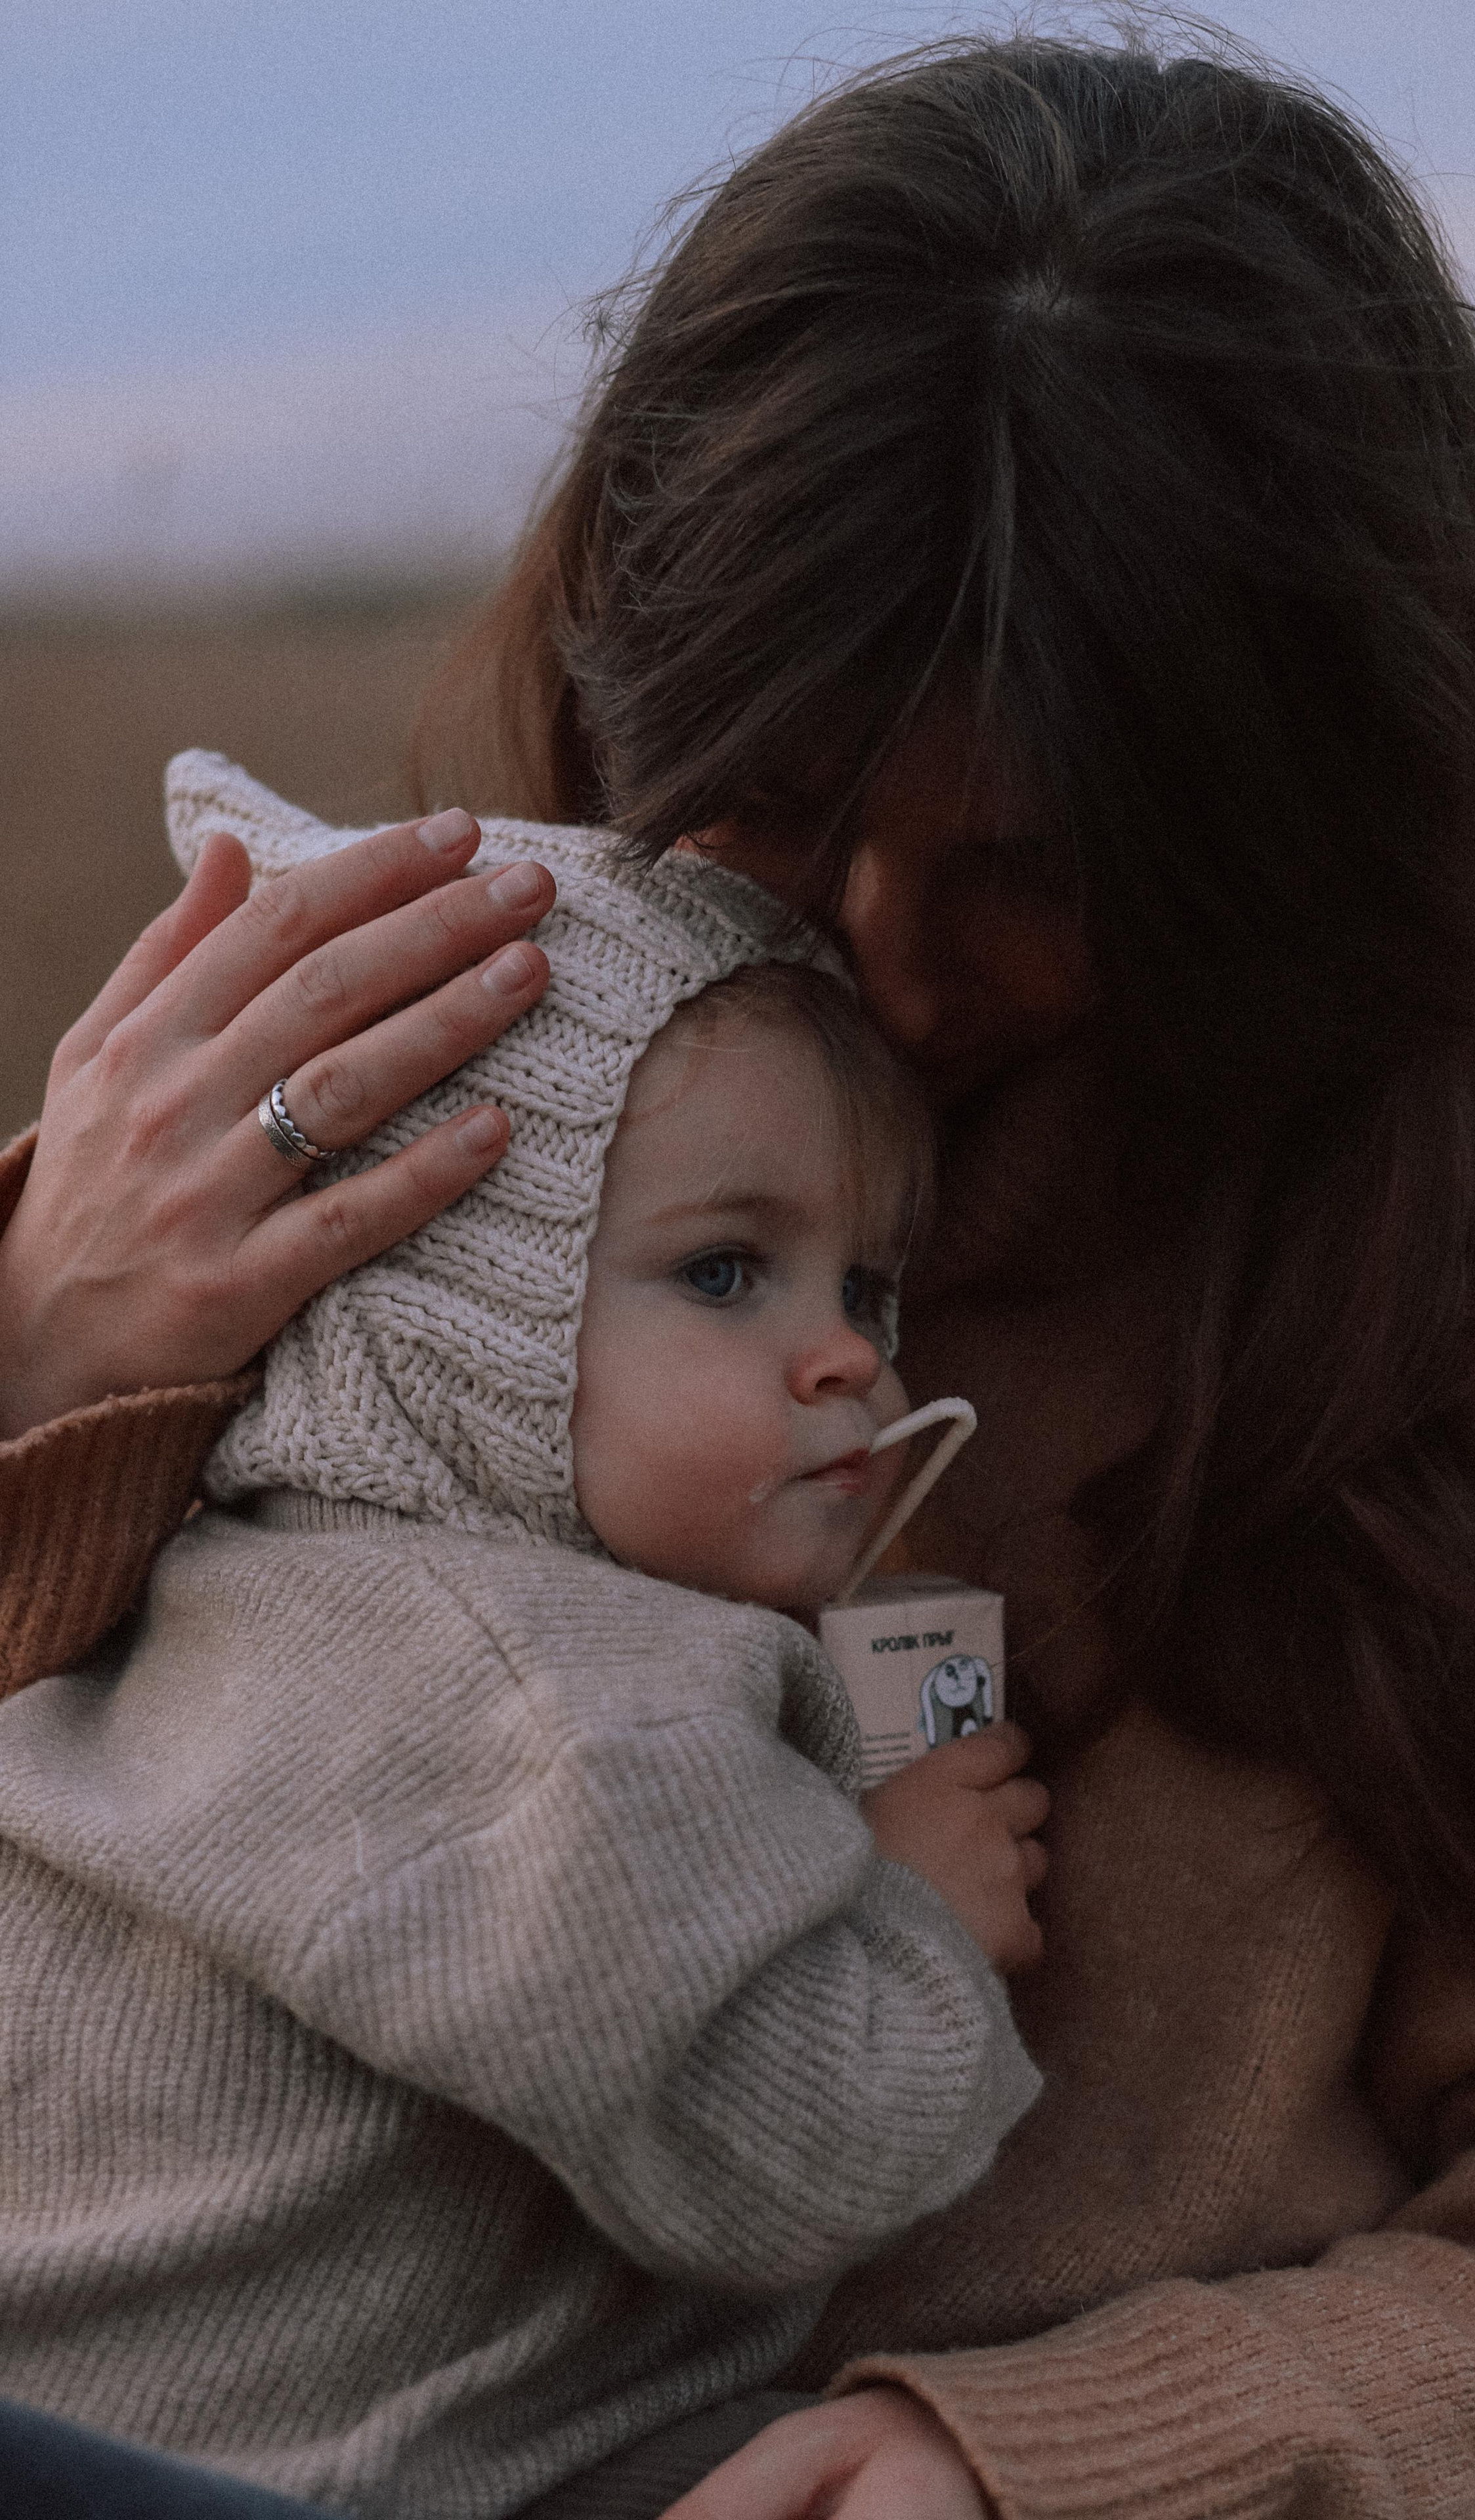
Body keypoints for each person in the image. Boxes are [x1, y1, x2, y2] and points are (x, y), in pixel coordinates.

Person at [5, 24, 1475, 2519]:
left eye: (1034, 866)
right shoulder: (387, 1057)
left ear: (1286, 814)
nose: (886, 959)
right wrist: (49, 1367)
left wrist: (1034, 2466)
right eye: (781, 796)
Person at [0, 757, 1046, 2517]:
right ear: (449, 1314)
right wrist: (922, 1920)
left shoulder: (228, 1584)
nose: (851, 1358)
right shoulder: (560, 1704)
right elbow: (788, 2153)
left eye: (866, 1286)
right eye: (727, 1273)